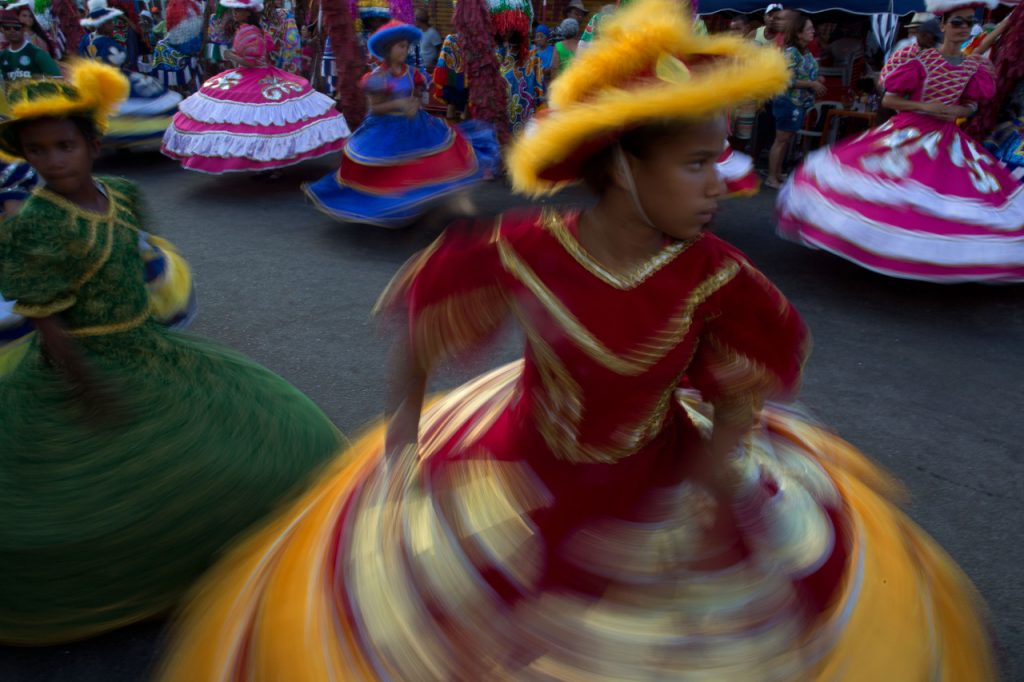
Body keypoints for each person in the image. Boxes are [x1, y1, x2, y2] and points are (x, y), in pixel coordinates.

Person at [155, 1, 997, 679]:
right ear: (621, 166)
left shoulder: (720, 275)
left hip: (663, 486)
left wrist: (704, 493)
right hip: (516, 477)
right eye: (697, 164)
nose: (724, 183)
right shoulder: (521, 248)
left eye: (723, 158)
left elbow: (746, 385)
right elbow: (421, 333)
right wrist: (401, 447)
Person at [0, 60, 346, 645]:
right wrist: (82, 380)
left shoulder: (126, 194)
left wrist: (159, 316)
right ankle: (144, 583)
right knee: (90, 493)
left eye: (64, 145)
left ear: (92, 143)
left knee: (279, 438)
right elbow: (44, 316)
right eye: (38, 152)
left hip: (147, 348)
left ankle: (205, 564)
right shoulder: (36, 223)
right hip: (83, 368)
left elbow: (141, 261)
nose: (54, 161)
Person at [777, 0, 1024, 282]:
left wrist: (961, 110)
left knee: (945, 199)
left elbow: (971, 104)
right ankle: (879, 249)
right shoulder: (918, 59)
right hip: (909, 131)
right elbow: (890, 99)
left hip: (947, 138)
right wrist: (930, 108)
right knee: (894, 191)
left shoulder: (973, 65)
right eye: (957, 22)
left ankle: (926, 257)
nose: (963, 28)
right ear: (942, 26)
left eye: (969, 22)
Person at [303, 20, 496, 227]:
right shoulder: (376, 77)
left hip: (415, 125)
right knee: (387, 173)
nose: (405, 50)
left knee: (440, 159)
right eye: (400, 46)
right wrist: (399, 103)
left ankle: (446, 204)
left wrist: (414, 103)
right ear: (388, 49)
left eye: (406, 46)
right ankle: (387, 206)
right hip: (384, 128)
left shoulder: (413, 73)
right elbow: (375, 108)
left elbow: (419, 94)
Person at [162, 0, 350, 173]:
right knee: (257, 124)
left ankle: (270, 165)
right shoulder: (251, 29)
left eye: (238, 10)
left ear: (247, 13)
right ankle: (267, 165)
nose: (234, 13)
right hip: (253, 75)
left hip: (255, 75)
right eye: (234, 10)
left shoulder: (249, 31)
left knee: (263, 123)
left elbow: (252, 61)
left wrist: (230, 56)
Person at [78, 0, 182, 147]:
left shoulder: (85, 40)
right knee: (138, 98)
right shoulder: (108, 44)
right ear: (101, 24)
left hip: (93, 80)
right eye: (109, 23)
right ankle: (133, 132)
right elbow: (120, 59)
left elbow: (81, 57)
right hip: (112, 78)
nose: (113, 26)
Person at [765, 13, 823, 189]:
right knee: (781, 140)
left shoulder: (805, 52)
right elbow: (787, 79)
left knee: (786, 139)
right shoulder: (791, 53)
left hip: (798, 102)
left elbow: (806, 73)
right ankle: (771, 177)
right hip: (788, 101)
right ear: (798, 33)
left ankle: (777, 173)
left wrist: (817, 81)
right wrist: (811, 83)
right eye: (809, 29)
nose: (813, 31)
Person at [0, 9, 61, 85]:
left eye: (17, 28)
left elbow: (58, 80)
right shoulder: (2, 56)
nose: (12, 31)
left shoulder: (37, 54)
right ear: (2, 30)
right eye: (7, 28)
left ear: (23, 29)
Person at [415, 7, 441, 71]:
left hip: (429, 68)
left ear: (419, 21)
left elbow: (440, 50)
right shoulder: (419, 31)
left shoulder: (432, 33)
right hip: (421, 67)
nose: (414, 21)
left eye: (415, 19)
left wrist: (434, 63)